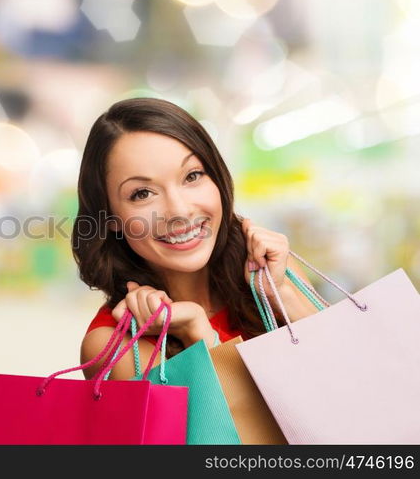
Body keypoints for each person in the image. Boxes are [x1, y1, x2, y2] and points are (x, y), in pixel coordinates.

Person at [72, 97, 320, 380]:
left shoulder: (277, 278)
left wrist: (282, 294)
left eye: (192, 176)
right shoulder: (116, 346)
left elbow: (354, 375)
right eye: (142, 193)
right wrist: (198, 334)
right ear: (111, 218)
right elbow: (240, 424)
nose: (179, 210)